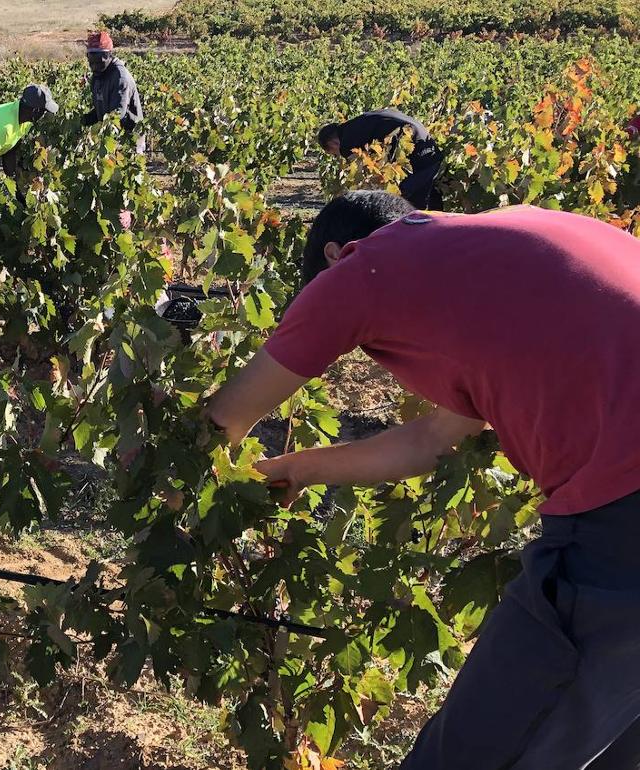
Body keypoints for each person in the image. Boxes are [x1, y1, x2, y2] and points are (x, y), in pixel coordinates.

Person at [206, 190, 640, 769]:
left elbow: (224, 420)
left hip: (622, 514)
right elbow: (431, 440)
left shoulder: (360, 270)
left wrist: (179, 483)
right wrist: (298, 468)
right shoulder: (497, 244)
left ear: (335, 256)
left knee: (472, 750)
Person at [317, 109, 443, 210]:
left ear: (332, 143)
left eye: (334, 153)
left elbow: (365, 174)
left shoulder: (346, 143)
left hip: (413, 150)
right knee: (432, 202)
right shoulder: (358, 123)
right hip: (426, 142)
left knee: (408, 204)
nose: (339, 156)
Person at [81, 30, 144, 149]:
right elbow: (101, 110)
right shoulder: (97, 75)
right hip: (109, 137)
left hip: (128, 140)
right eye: (91, 60)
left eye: (99, 60)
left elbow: (116, 115)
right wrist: (81, 121)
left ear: (109, 55)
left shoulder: (120, 78)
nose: (94, 66)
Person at [0, 83, 58, 176]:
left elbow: (10, 150)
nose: (44, 116)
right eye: (44, 111)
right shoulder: (5, 128)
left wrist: (13, 178)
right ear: (35, 111)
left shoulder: (24, 119)